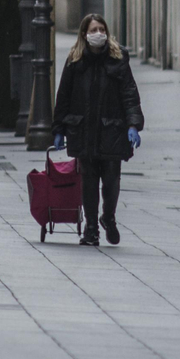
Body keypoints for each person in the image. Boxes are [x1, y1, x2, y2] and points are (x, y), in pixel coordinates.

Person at [51, 13, 143, 246]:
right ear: (84, 34)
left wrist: (133, 124)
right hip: (83, 130)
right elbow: (63, 96)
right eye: (93, 30)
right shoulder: (75, 59)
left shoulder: (118, 58)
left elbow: (129, 93)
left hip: (112, 129)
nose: (98, 34)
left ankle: (108, 218)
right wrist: (59, 128)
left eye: (101, 29)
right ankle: (91, 229)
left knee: (111, 180)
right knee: (89, 181)